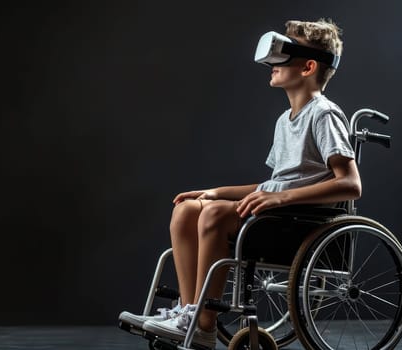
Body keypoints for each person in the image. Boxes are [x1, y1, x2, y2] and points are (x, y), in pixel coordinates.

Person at [119, 19, 361, 349]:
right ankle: (187, 313)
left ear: (307, 67)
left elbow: (350, 184)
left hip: (299, 220)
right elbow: (272, 184)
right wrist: (216, 191)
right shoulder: (284, 121)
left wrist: (282, 198)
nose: (271, 65)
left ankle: (203, 324)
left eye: (282, 55)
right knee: (188, 209)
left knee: (215, 215)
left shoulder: (324, 114)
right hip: (276, 211)